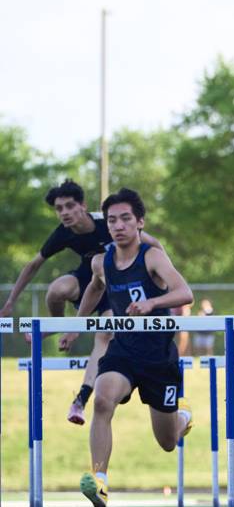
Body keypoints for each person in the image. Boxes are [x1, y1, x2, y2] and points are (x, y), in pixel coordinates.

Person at [0, 179, 161, 426]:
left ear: (83, 206)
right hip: (89, 280)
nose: (64, 212)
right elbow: (33, 265)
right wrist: (10, 302)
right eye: (59, 208)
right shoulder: (62, 233)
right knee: (56, 290)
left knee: (104, 332)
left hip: (114, 289)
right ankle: (62, 327)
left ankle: (81, 399)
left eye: (69, 206)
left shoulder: (106, 222)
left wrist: (163, 277)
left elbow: (153, 243)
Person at [73, 189, 194, 507]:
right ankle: (99, 482)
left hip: (158, 356)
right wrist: (75, 327)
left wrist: (152, 302)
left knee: (167, 442)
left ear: (140, 222)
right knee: (102, 399)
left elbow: (185, 293)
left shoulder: (152, 256)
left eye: (126, 218)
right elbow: (93, 289)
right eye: (112, 220)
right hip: (123, 351)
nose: (118, 225)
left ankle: (182, 419)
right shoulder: (102, 262)